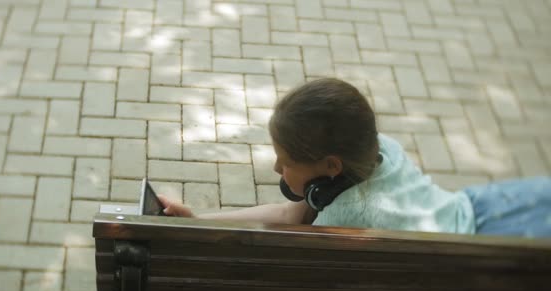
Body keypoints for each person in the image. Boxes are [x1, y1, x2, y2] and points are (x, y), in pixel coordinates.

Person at [158, 78, 551, 238]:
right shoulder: (383, 149)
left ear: (331, 166)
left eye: (287, 161)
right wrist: (199, 220)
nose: (277, 170)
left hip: (476, 249)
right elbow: (290, 213)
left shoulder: (349, 216)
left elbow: (292, 218)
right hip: (479, 208)